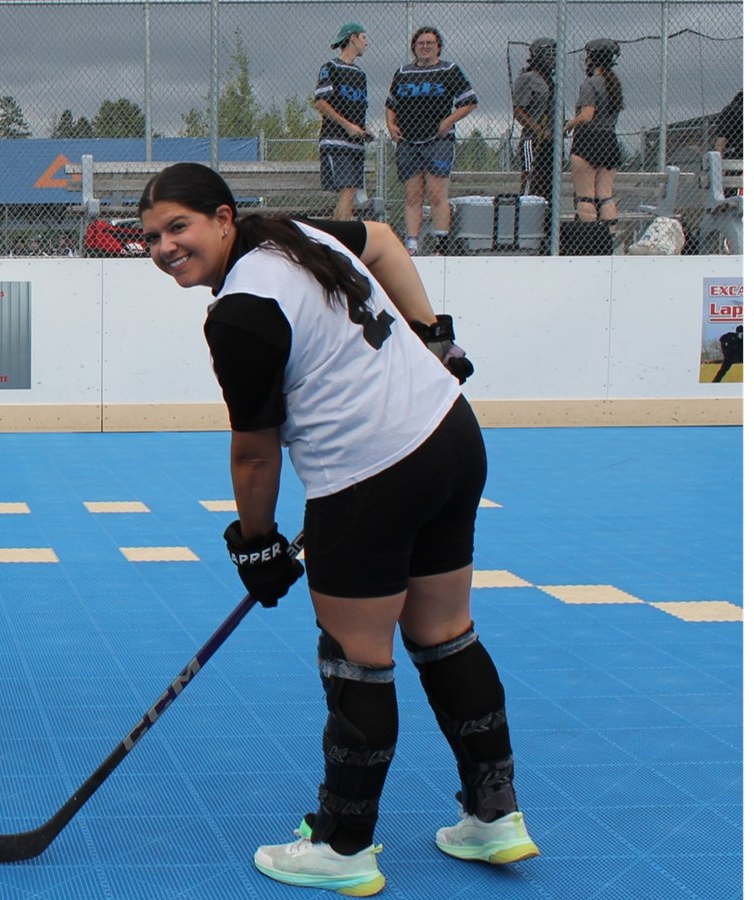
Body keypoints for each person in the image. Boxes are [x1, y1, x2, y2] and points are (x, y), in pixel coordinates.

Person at [137, 163, 534, 896]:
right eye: (150, 237)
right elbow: (383, 240)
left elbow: (255, 451)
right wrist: (432, 336)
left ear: (223, 218)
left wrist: (255, 543)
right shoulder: (294, 236)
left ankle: (344, 844)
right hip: (450, 435)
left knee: (357, 654)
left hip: (371, 474)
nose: (163, 247)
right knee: (445, 631)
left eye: (177, 227)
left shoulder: (240, 312)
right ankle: (494, 817)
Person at [386, 27, 477, 255]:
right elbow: (391, 104)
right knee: (413, 195)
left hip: (437, 141)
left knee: (437, 194)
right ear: (414, 47)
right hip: (408, 141)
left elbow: (470, 102)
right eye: (421, 43)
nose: (425, 47)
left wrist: (449, 121)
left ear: (438, 46)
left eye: (430, 43)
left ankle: (441, 245)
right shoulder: (403, 72)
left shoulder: (449, 70)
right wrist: (391, 125)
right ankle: (412, 244)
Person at [562, 39, 624, 251]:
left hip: (588, 140)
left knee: (586, 196)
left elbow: (588, 115)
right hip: (609, 140)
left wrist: (569, 125)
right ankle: (609, 242)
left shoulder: (591, 83)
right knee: (605, 195)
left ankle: (589, 244)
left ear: (593, 58)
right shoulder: (614, 82)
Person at [313, 23, 370, 221]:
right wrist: (347, 126)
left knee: (351, 192)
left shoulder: (360, 74)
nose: (366, 43)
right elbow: (321, 103)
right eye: (363, 38)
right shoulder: (331, 68)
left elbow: (358, 109)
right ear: (352, 38)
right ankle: (343, 241)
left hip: (356, 143)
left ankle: (337, 239)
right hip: (336, 140)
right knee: (348, 189)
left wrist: (363, 129)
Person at [512, 38, 557, 204]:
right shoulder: (528, 79)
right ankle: (525, 216)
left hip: (552, 143)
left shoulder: (552, 82)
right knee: (531, 178)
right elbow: (518, 111)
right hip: (533, 140)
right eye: (549, 55)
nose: (552, 60)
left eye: (554, 56)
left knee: (549, 183)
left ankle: (546, 222)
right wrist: (539, 130)